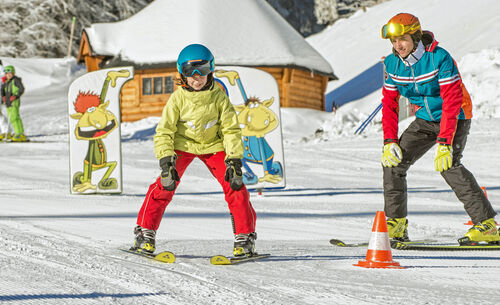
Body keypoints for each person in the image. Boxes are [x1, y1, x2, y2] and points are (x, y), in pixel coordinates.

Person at [380, 13, 499, 244]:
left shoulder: (439, 58)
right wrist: (389, 141)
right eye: (393, 41)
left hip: (455, 115)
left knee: (449, 165)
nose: (398, 45)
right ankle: (396, 224)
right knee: (393, 162)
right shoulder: (392, 64)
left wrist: (445, 142)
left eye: (402, 39)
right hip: (425, 119)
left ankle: (487, 226)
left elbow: (452, 100)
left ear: (415, 35)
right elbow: (390, 104)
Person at [131, 44, 258, 256]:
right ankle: (144, 232)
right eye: (190, 72)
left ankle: (245, 237)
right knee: (165, 184)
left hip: (213, 146)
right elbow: (164, 131)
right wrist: (166, 162)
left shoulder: (219, 98)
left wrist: (234, 160)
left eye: (202, 71)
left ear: (211, 70)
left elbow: (231, 130)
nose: (196, 78)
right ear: (182, 73)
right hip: (183, 145)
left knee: (235, 185)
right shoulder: (178, 99)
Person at [1, 65, 26, 142]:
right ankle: (11, 133)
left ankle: (20, 134)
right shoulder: (6, 82)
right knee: (11, 118)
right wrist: (3, 97)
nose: (8, 75)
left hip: (14, 101)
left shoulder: (16, 80)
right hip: (8, 102)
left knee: (14, 117)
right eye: (7, 73)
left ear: (14, 73)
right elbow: (2, 90)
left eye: (10, 73)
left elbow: (21, 89)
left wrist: (15, 96)